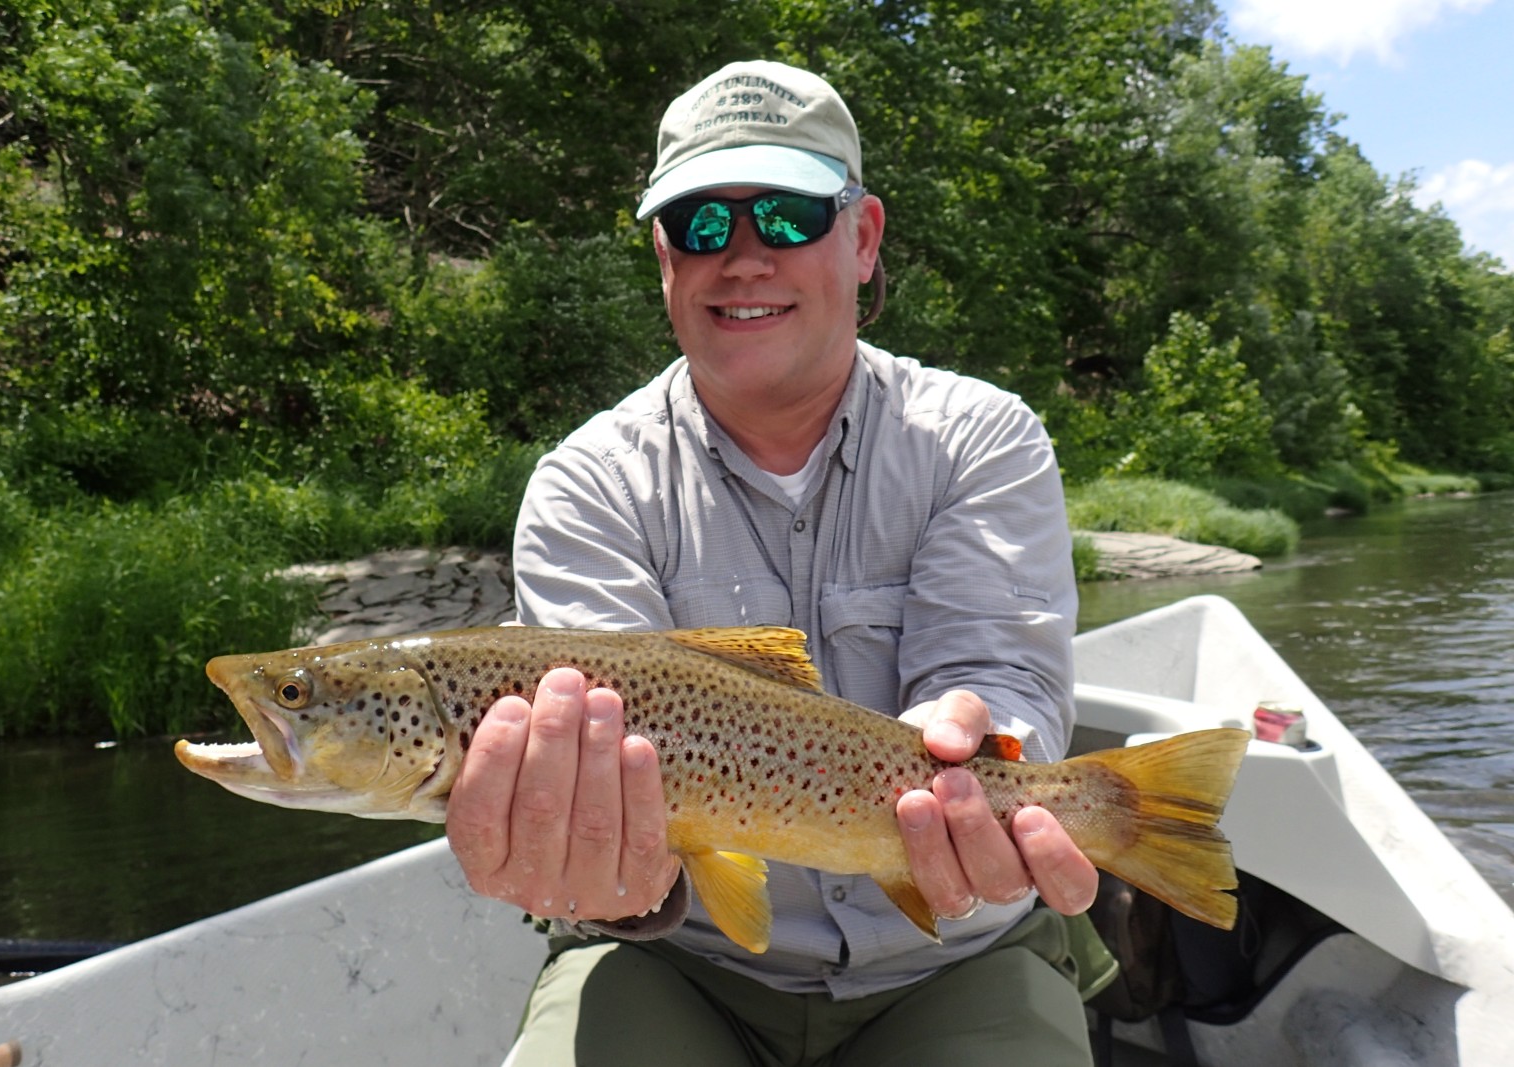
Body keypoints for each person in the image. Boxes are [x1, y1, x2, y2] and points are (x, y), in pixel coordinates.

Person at [445, 59, 1099, 1066]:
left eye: (786, 216)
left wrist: (978, 757)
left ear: (864, 236)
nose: (741, 258)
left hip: (954, 950)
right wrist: (606, 867)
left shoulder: (977, 436)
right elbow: (619, 777)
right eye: (700, 224)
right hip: (681, 959)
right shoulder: (586, 484)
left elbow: (997, 675)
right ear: (662, 256)